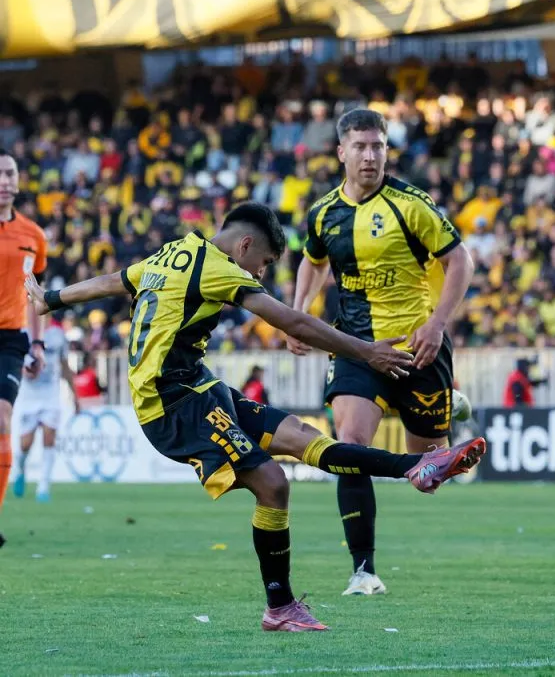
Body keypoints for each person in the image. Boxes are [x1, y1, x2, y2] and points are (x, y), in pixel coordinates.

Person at [24, 202, 486, 630]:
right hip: (173, 404)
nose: (260, 272)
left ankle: (417, 467)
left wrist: (52, 299)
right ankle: (279, 605)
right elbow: (294, 322)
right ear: (245, 246)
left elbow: (112, 282)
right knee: (273, 484)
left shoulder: (175, 252)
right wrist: (367, 353)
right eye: (263, 263)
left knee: (302, 437)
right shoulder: (220, 269)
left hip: (199, 388)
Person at [287, 109, 475, 597]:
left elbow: (460, 261)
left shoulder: (411, 205)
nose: (370, 155)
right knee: (349, 444)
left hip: (417, 346)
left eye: (378, 146)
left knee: (427, 468)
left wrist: (437, 324)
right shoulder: (325, 212)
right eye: (361, 146)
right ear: (341, 152)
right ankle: (363, 570)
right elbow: (313, 262)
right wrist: (298, 311)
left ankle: (454, 405)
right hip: (357, 347)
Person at [0, 149, 47, 549]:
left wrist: (39, 342)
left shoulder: (33, 234)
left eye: (10, 173)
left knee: (2, 420)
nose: (4, 181)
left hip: (10, 338)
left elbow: (38, 297)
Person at [12, 315, 77, 502]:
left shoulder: (57, 334)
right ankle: (20, 469)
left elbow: (65, 366)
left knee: (49, 438)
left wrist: (75, 396)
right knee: (25, 444)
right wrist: (22, 370)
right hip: (28, 396)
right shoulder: (23, 332)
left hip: (51, 395)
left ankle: (43, 487)